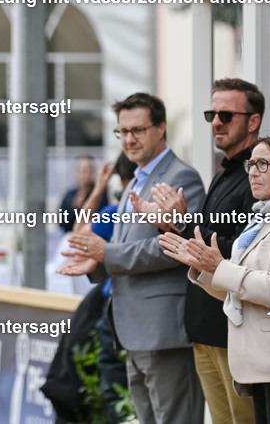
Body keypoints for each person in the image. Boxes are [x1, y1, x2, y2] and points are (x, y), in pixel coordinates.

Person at [159, 133, 270, 424]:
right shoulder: (263, 216)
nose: (253, 171)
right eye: (251, 164)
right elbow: (239, 291)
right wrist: (204, 268)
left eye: (263, 164)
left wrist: (219, 267)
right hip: (260, 362)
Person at [59, 92, 205, 424]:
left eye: (138, 130)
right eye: (122, 131)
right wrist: (97, 263)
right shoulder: (135, 181)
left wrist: (106, 254)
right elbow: (124, 248)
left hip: (164, 328)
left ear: (161, 128)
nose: (129, 139)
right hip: (132, 325)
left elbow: (173, 247)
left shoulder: (181, 177)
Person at [134, 78, 263, 424]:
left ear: (253, 121)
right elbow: (203, 240)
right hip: (204, 325)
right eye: (211, 114)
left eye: (226, 115)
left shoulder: (257, 175)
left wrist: (181, 222)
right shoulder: (226, 171)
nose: (216, 122)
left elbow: (244, 250)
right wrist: (174, 225)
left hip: (233, 328)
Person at [58, 156, 108, 233]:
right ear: (76, 172)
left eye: (90, 170)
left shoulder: (101, 194)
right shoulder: (69, 195)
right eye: (84, 170)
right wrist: (74, 208)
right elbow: (62, 223)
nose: (87, 174)